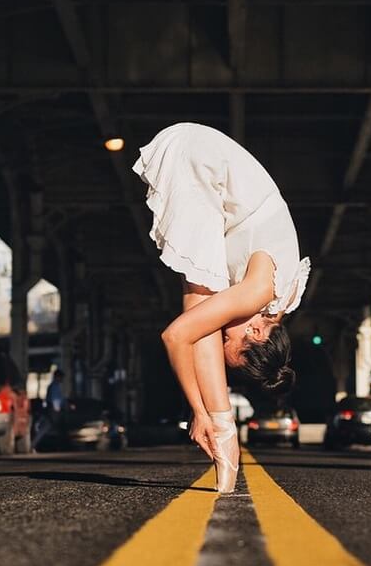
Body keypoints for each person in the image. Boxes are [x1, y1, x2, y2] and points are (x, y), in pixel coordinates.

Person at [132, 123, 310, 492]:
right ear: (258, 332)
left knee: (203, 298)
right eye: (232, 341)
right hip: (198, 162)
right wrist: (198, 411)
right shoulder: (259, 293)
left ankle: (224, 435)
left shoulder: (278, 299)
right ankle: (223, 431)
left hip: (205, 166)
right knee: (200, 305)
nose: (223, 330)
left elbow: (198, 327)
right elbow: (177, 334)